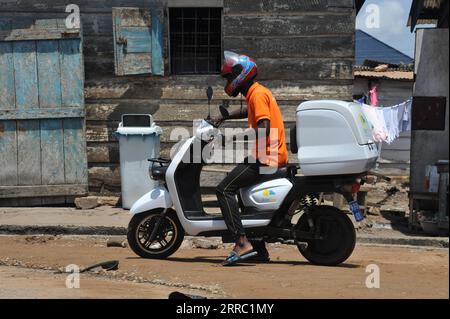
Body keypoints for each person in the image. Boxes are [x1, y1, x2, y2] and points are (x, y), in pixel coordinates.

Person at [211, 51, 288, 266]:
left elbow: (263, 129)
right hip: (267, 156)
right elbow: (249, 111)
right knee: (243, 194)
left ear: (239, 74)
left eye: (228, 78)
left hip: (267, 158)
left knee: (224, 190)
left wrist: (232, 138)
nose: (228, 82)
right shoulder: (256, 93)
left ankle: (242, 241)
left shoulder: (257, 94)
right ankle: (259, 249)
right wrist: (223, 116)